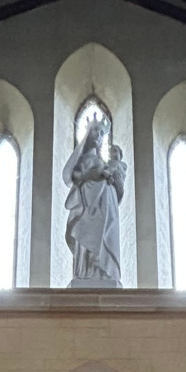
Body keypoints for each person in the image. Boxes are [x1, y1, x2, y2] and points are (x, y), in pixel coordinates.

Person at [63, 116, 126, 287]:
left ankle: (104, 272)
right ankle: (86, 272)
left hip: (105, 205)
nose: (98, 137)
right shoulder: (83, 158)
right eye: (95, 132)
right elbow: (73, 176)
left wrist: (112, 180)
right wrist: (93, 175)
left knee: (105, 239)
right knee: (87, 241)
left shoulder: (106, 163)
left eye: (101, 134)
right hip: (87, 205)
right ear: (89, 135)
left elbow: (119, 188)